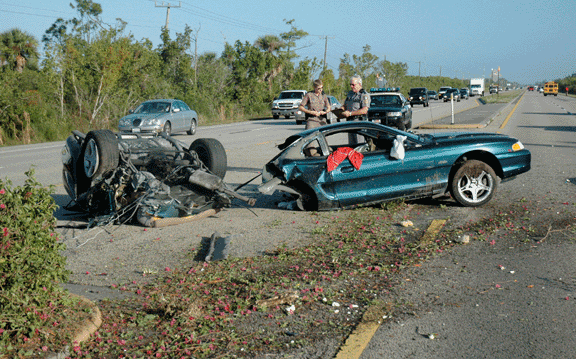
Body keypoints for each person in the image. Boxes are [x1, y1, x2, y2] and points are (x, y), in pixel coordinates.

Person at [341, 75, 370, 144]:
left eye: (353, 85)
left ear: (359, 84)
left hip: (359, 123)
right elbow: (345, 105)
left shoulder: (364, 95)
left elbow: (364, 110)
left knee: (359, 146)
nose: (351, 86)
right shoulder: (350, 94)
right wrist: (341, 110)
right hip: (350, 123)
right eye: (350, 84)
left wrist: (350, 113)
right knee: (351, 145)